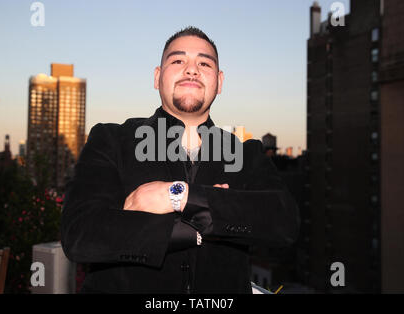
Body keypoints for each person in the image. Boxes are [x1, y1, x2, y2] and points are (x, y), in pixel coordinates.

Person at [60, 26, 300, 294]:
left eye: (204, 63)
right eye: (178, 60)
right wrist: (206, 219)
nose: (191, 69)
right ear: (157, 77)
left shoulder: (246, 153)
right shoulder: (111, 140)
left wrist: (178, 196)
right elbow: (81, 233)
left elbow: (283, 221)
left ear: (219, 82)